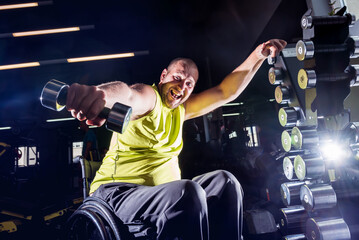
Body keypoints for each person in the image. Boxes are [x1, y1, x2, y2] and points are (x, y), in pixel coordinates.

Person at [66, 39, 287, 239]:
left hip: (159, 199)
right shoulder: (150, 98)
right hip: (117, 195)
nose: (181, 88)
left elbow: (225, 92)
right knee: (187, 192)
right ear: (163, 77)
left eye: (189, 84)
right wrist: (102, 95)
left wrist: (258, 55)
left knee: (225, 182)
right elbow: (129, 94)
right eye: (177, 78)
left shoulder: (181, 110)